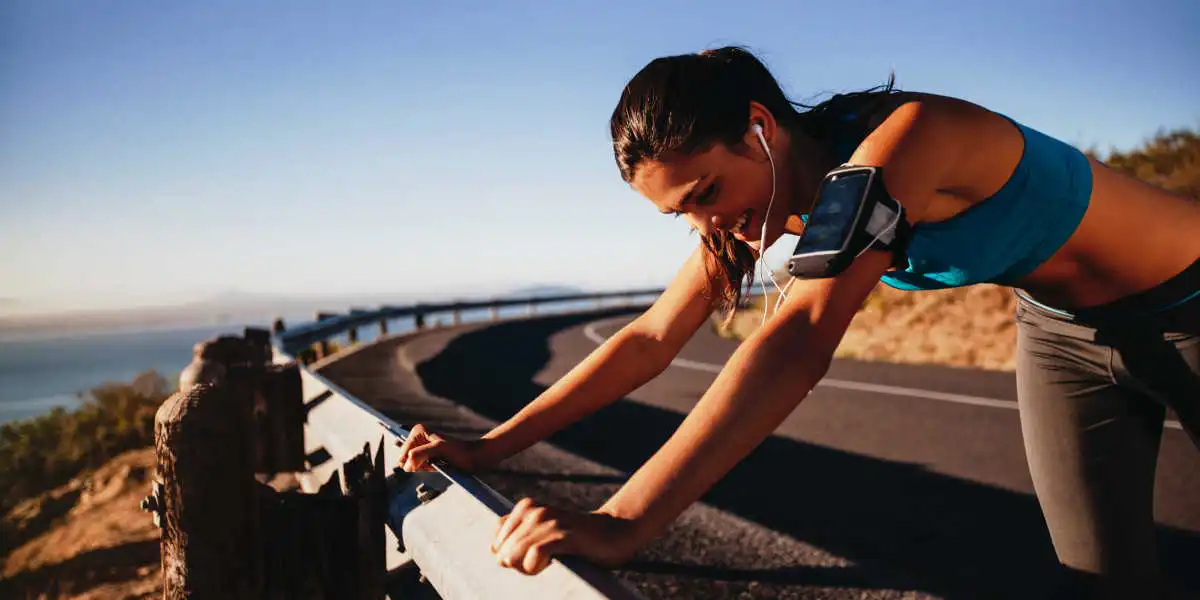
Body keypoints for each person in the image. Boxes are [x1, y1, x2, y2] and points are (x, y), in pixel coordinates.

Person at [396, 46, 1200, 598]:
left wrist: (621, 521)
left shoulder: (909, 140)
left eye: (706, 192)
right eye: (681, 212)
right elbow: (649, 339)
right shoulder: (763, 209)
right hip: (1062, 336)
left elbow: (801, 337)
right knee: (1106, 585)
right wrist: (490, 446)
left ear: (760, 126)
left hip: (1190, 304)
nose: (708, 223)